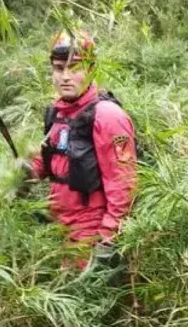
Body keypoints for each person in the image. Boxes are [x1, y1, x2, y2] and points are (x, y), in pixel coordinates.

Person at [18, 30, 137, 271]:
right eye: (59, 68)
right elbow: (50, 158)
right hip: (60, 227)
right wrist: (26, 173)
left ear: (91, 69)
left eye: (75, 68)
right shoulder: (57, 112)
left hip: (92, 232)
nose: (65, 76)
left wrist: (108, 239)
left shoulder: (107, 116)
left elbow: (124, 185)